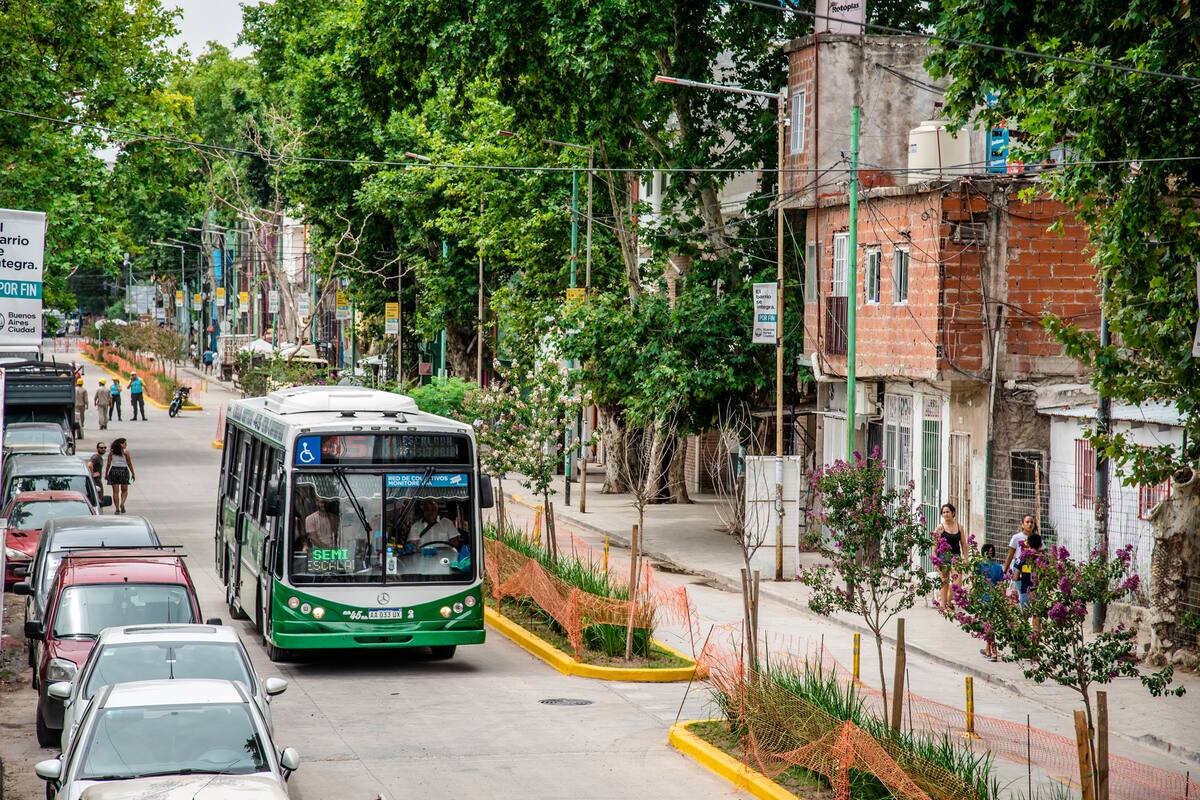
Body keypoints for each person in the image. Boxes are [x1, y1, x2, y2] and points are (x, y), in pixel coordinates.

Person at [932, 502, 966, 610]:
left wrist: (966, 558)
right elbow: (934, 546)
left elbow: (964, 544)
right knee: (944, 581)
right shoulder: (940, 528)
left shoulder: (959, 526)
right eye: (943, 512)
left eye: (947, 512)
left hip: (956, 556)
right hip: (943, 556)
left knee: (958, 582)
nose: (945, 514)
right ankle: (943, 605)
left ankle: (948, 600)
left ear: (953, 513)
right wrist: (935, 561)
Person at [978, 543, 1005, 661]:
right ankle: (987, 650)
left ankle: (994, 652)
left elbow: (975, 583)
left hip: (984, 599)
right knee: (989, 625)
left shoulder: (979, 566)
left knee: (988, 627)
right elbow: (1001, 585)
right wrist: (1003, 599)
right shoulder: (998, 567)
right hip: (994, 599)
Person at [1004, 514, 1036, 587]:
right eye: (1027, 522)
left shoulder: (1037, 538)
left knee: (1031, 590)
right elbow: (1010, 555)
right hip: (1019, 567)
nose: (1030, 524)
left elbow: (1041, 553)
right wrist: (1004, 571)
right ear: (1022, 524)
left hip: (1032, 567)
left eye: (1031, 522)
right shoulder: (1016, 537)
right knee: (1019, 589)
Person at [105, 438, 135, 514]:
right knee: (124, 490)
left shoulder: (112, 452)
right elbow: (129, 463)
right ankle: (122, 503)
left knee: (115, 492)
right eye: (125, 443)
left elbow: (108, 464)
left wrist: (106, 473)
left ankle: (117, 508)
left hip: (114, 471)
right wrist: (133, 473)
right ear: (121, 444)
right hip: (124, 471)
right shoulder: (126, 452)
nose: (126, 445)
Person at [88, 441, 108, 513]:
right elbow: (89, 464)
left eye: (104, 448)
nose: (103, 449)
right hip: (96, 482)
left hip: (98, 481)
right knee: (99, 500)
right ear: (97, 449)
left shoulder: (99, 457)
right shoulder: (96, 457)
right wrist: (92, 474)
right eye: (101, 448)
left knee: (100, 498)